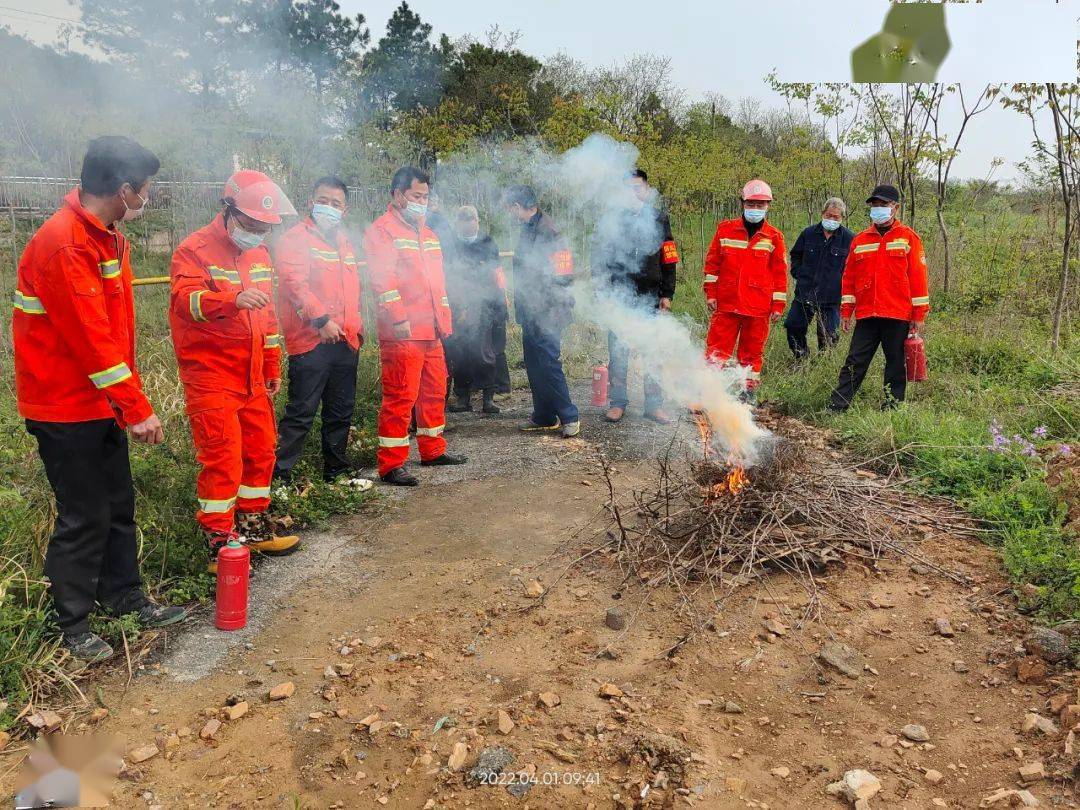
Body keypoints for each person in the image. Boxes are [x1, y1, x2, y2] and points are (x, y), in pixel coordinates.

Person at [12, 135, 184, 662]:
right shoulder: (65, 243)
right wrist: (136, 406)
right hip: (64, 405)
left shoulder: (105, 235)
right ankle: (71, 622)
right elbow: (93, 343)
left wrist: (122, 403)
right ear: (125, 189)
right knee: (84, 513)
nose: (147, 200)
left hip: (98, 402)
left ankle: (124, 595)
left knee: (117, 506)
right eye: (146, 191)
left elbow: (111, 335)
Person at [169, 170, 301, 572]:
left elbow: (269, 318)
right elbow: (185, 302)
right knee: (223, 456)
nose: (258, 232)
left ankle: (254, 527)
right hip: (211, 375)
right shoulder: (193, 250)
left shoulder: (260, 255)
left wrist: (272, 364)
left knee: (261, 449)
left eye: (265, 227)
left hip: (253, 374)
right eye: (252, 224)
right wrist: (232, 298)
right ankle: (219, 541)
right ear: (228, 211)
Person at [364, 166, 467, 486]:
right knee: (400, 396)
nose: (422, 202)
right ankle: (391, 464)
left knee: (434, 392)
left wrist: (444, 321)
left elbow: (438, 284)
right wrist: (399, 318)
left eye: (425, 197)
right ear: (397, 195)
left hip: (431, 330)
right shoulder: (382, 231)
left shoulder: (428, 234)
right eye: (416, 196)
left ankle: (432, 449)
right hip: (402, 332)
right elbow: (383, 281)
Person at [272, 176, 364, 484]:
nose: (329, 208)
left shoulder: (344, 242)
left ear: (345, 210)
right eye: (323, 201)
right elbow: (295, 285)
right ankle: (279, 479)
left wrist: (355, 331)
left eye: (336, 204)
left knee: (340, 411)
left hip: (345, 339)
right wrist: (321, 320)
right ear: (311, 202)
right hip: (311, 340)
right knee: (301, 413)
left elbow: (351, 290)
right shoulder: (295, 239)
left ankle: (336, 471)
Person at [828, 184, 930, 412]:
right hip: (867, 314)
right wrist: (846, 311)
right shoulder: (860, 240)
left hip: (897, 314)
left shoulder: (908, 238)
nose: (878, 209)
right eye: (875, 205)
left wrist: (918, 315)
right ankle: (837, 406)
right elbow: (849, 279)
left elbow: (919, 279)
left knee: (895, 364)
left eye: (883, 205)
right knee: (855, 362)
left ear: (895, 207)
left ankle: (891, 408)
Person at [591, 169, 678, 424]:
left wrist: (667, 293)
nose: (633, 194)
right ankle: (618, 403)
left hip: (651, 294)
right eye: (627, 189)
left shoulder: (659, 219)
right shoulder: (612, 219)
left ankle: (654, 405)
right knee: (618, 351)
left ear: (647, 190)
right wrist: (602, 288)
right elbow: (600, 254)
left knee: (653, 351)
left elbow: (669, 257)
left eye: (638, 188)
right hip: (620, 295)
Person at [702, 179, 789, 403]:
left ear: (768, 206)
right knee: (716, 350)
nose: (755, 209)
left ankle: (746, 394)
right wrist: (711, 293)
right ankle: (710, 391)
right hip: (726, 303)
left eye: (760, 205)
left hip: (758, 307)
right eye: (751, 204)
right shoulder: (726, 229)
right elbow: (712, 264)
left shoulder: (774, 237)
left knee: (751, 354)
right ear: (743, 203)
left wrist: (778, 304)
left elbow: (780, 273)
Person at [504, 184, 580, 437]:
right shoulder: (528, 229)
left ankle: (570, 416)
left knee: (548, 362)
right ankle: (544, 415)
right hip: (531, 310)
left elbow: (565, 273)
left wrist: (545, 291)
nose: (511, 214)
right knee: (534, 363)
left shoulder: (550, 231)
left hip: (549, 310)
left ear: (518, 206)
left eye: (511, 208)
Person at [445, 205, 507, 415]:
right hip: (459, 305)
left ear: (478, 223)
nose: (470, 225)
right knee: (460, 352)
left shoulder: (488, 243)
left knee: (485, 353)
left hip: (484, 305)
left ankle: (488, 398)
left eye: (474, 221)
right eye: (465, 222)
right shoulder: (450, 245)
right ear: (458, 224)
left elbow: (497, 276)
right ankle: (463, 397)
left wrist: (501, 306)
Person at [785, 197, 854, 359]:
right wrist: (799, 273)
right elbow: (795, 255)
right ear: (822, 214)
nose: (831, 219)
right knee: (793, 327)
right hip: (805, 294)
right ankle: (802, 358)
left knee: (829, 336)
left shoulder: (849, 239)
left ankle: (821, 363)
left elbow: (853, 268)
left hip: (831, 298)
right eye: (829, 215)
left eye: (836, 217)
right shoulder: (808, 233)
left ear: (842, 218)